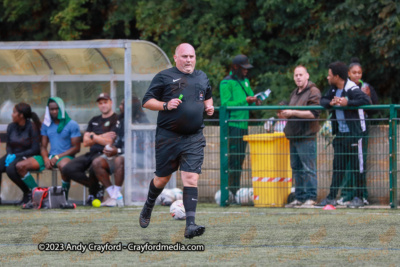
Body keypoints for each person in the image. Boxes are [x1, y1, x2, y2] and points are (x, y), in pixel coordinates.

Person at [139, 43, 214, 239]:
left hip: (194, 137)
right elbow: (146, 101)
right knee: (162, 179)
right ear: (176, 58)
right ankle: (148, 205)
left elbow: (207, 96)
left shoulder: (202, 76)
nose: (189, 60)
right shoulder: (164, 77)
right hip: (168, 137)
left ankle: (190, 226)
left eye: (192, 56)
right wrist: (165, 104)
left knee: (191, 178)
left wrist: (209, 107)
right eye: (185, 56)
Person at [317, 61, 371, 208]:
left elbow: (366, 100)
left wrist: (347, 102)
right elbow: (322, 100)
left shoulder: (351, 88)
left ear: (336, 76)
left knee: (357, 167)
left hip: (355, 134)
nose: (327, 78)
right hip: (340, 135)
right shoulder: (334, 89)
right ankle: (331, 197)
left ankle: (360, 197)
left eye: (329, 75)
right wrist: (332, 103)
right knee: (338, 167)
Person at [15, 98, 81, 208]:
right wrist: (46, 159)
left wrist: (57, 157)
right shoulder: (46, 124)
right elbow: (43, 146)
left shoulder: (72, 124)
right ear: (48, 110)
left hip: (65, 156)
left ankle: (64, 200)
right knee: (20, 166)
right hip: (50, 156)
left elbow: (76, 148)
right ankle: (39, 197)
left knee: (64, 166)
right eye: (51, 109)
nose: (54, 111)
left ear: (61, 109)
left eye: (56, 109)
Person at [62, 93, 119, 205]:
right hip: (91, 153)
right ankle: (96, 188)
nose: (103, 105)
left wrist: (94, 136)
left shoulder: (116, 119)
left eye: (105, 102)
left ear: (111, 103)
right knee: (67, 168)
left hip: (107, 154)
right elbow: (86, 142)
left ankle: (92, 193)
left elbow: (110, 141)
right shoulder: (94, 119)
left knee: (95, 166)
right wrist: (102, 136)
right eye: (100, 103)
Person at [92, 98, 148, 207]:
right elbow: (118, 142)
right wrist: (109, 148)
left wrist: (117, 151)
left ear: (131, 107)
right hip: (121, 154)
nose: (120, 107)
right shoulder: (121, 121)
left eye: (123, 105)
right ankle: (114, 195)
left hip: (141, 157)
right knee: (97, 162)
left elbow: (138, 148)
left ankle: (115, 196)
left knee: (119, 160)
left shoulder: (140, 121)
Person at [337, 58, 379, 206]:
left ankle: (362, 196)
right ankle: (347, 195)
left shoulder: (366, 87)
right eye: (353, 72)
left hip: (359, 129)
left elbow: (374, 109)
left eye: (359, 73)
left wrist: (366, 98)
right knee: (348, 163)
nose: (356, 75)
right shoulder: (343, 87)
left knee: (360, 163)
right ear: (348, 73)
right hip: (345, 130)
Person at [219, 54, 261, 197]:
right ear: (236, 67)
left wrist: (256, 99)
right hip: (232, 125)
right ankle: (230, 192)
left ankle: (235, 191)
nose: (246, 71)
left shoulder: (246, 81)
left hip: (244, 126)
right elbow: (225, 104)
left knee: (240, 159)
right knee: (233, 160)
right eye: (244, 68)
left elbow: (250, 97)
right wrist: (245, 101)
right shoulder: (226, 83)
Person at [282, 65, 321, 208]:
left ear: (307, 76)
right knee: (296, 168)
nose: (298, 77)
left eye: (300, 74)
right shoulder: (295, 93)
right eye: (296, 75)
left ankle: (311, 198)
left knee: (308, 168)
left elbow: (313, 113)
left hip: (306, 136)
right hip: (294, 136)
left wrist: (292, 112)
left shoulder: (313, 91)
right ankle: (299, 198)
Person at [0, 103, 41, 205]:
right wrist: (9, 154)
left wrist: (17, 156)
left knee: (10, 169)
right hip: (13, 155)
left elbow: (35, 149)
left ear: (21, 115)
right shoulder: (11, 126)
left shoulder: (32, 127)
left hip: (27, 155)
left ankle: (27, 192)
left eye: (14, 112)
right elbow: (9, 145)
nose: (12, 114)